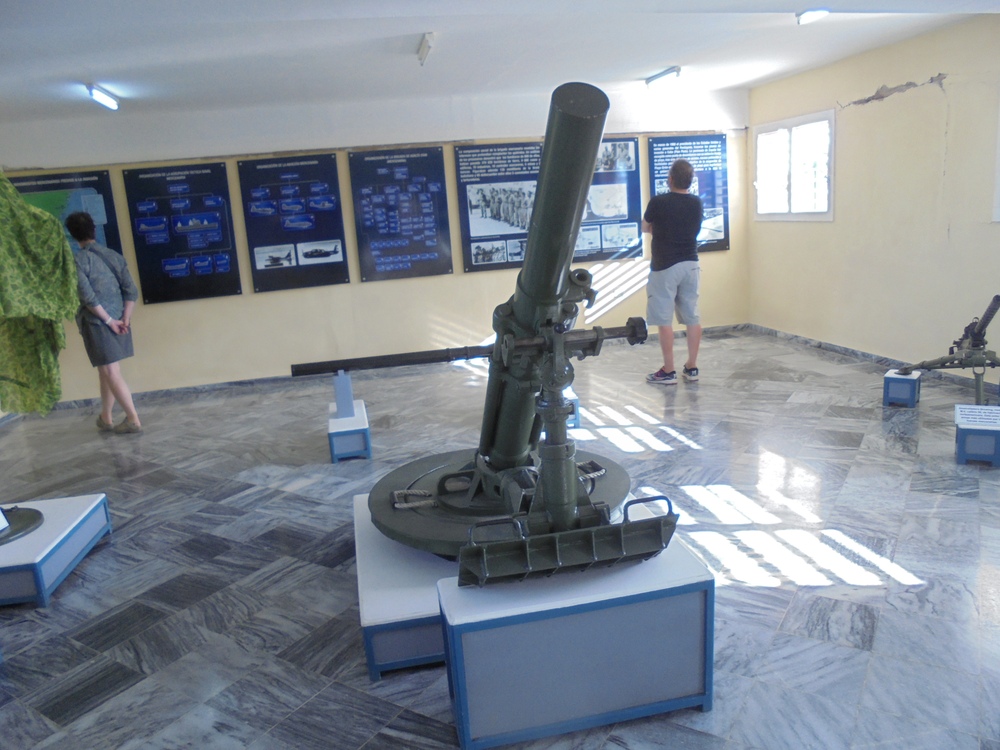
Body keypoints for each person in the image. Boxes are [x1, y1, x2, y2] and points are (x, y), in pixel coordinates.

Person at [65, 211, 142, 433]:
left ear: (72, 235)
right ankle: (106, 417)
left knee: (110, 372)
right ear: (94, 229)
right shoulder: (113, 255)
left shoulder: (78, 261)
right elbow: (131, 291)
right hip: (120, 321)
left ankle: (133, 419)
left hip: (98, 324)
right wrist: (125, 318)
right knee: (106, 370)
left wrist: (109, 321)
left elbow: (87, 297)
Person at [642, 159, 704, 385]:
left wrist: (659, 229)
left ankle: (669, 370)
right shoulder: (696, 203)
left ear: (670, 179)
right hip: (691, 264)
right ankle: (692, 366)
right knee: (692, 316)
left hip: (665, 265)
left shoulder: (659, 202)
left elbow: (645, 226)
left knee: (664, 319)